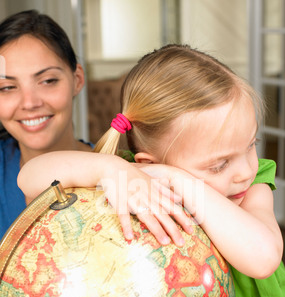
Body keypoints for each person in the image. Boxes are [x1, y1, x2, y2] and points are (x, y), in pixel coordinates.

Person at [18, 44, 285, 297]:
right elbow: (29, 177)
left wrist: (181, 180)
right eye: (219, 164)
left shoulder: (253, 185)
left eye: (251, 144)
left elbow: (262, 257)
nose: (244, 170)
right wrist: (112, 169)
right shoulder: (133, 179)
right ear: (147, 162)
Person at [0, 10, 187, 246]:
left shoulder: (128, 178)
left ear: (77, 79)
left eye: (48, 81)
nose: (29, 102)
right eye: (6, 87)